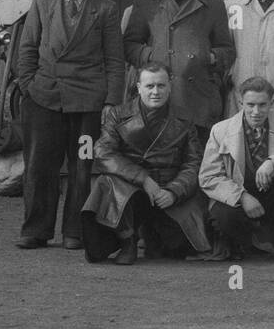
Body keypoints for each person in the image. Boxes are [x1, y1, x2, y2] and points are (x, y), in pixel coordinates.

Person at [15, 0, 125, 250]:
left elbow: (115, 59)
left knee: (82, 165)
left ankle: (75, 231)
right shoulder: (41, 4)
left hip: (87, 103)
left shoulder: (105, 9)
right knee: (39, 165)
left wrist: (110, 101)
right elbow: (27, 49)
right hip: (44, 99)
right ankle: (36, 230)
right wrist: (29, 86)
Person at [80, 64, 211, 264]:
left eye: (161, 85)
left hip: (168, 189)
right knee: (106, 182)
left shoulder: (185, 117)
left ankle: (153, 233)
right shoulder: (117, 114)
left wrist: (174, 191)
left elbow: (194, 163)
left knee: (175, 249)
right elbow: (103, 153)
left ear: (170, 86)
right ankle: (127, 240)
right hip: (132, 189)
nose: (155, 92)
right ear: (138, 87)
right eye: (150, 86)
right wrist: (143, 179)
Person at [199, 76, 274, 266]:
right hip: (242, 193)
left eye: (263, 105)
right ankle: (247, 242)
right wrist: (242, 197)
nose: (256, 112)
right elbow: (209, 177)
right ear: (241, 102)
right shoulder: (220, 130)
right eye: (250, 105)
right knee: (223, 215)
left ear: (271, 103)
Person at [123, 0, 235, 135]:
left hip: (198, 97)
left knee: (195, 159)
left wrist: (210, 57)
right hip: (158, 94)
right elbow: (129, 45)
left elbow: (227, 49)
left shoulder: (214, 5)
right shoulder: (145, 3)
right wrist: (152, 56)